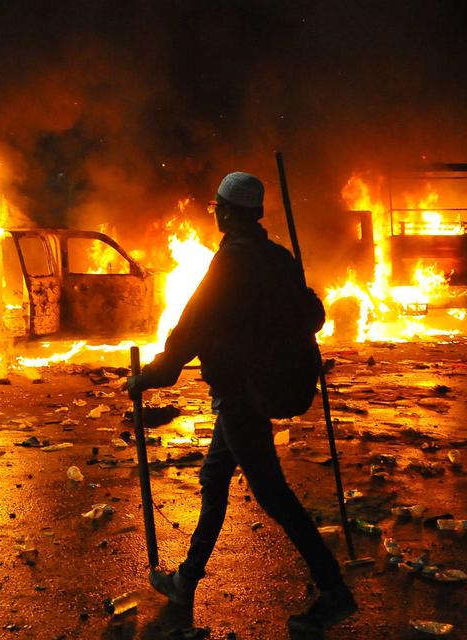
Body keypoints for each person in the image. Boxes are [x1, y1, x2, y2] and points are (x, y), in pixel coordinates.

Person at [126, 171, 357, 633]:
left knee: (274, 494)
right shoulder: (279, 259)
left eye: (218, 208)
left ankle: (334, 591)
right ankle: (186, 580)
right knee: (214, 478)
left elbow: (192, 326)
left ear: (229, 212)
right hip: (261, 389)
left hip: (241, 394)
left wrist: (150, 376)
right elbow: (313, 315)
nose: (217, 216)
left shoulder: (230, 263)